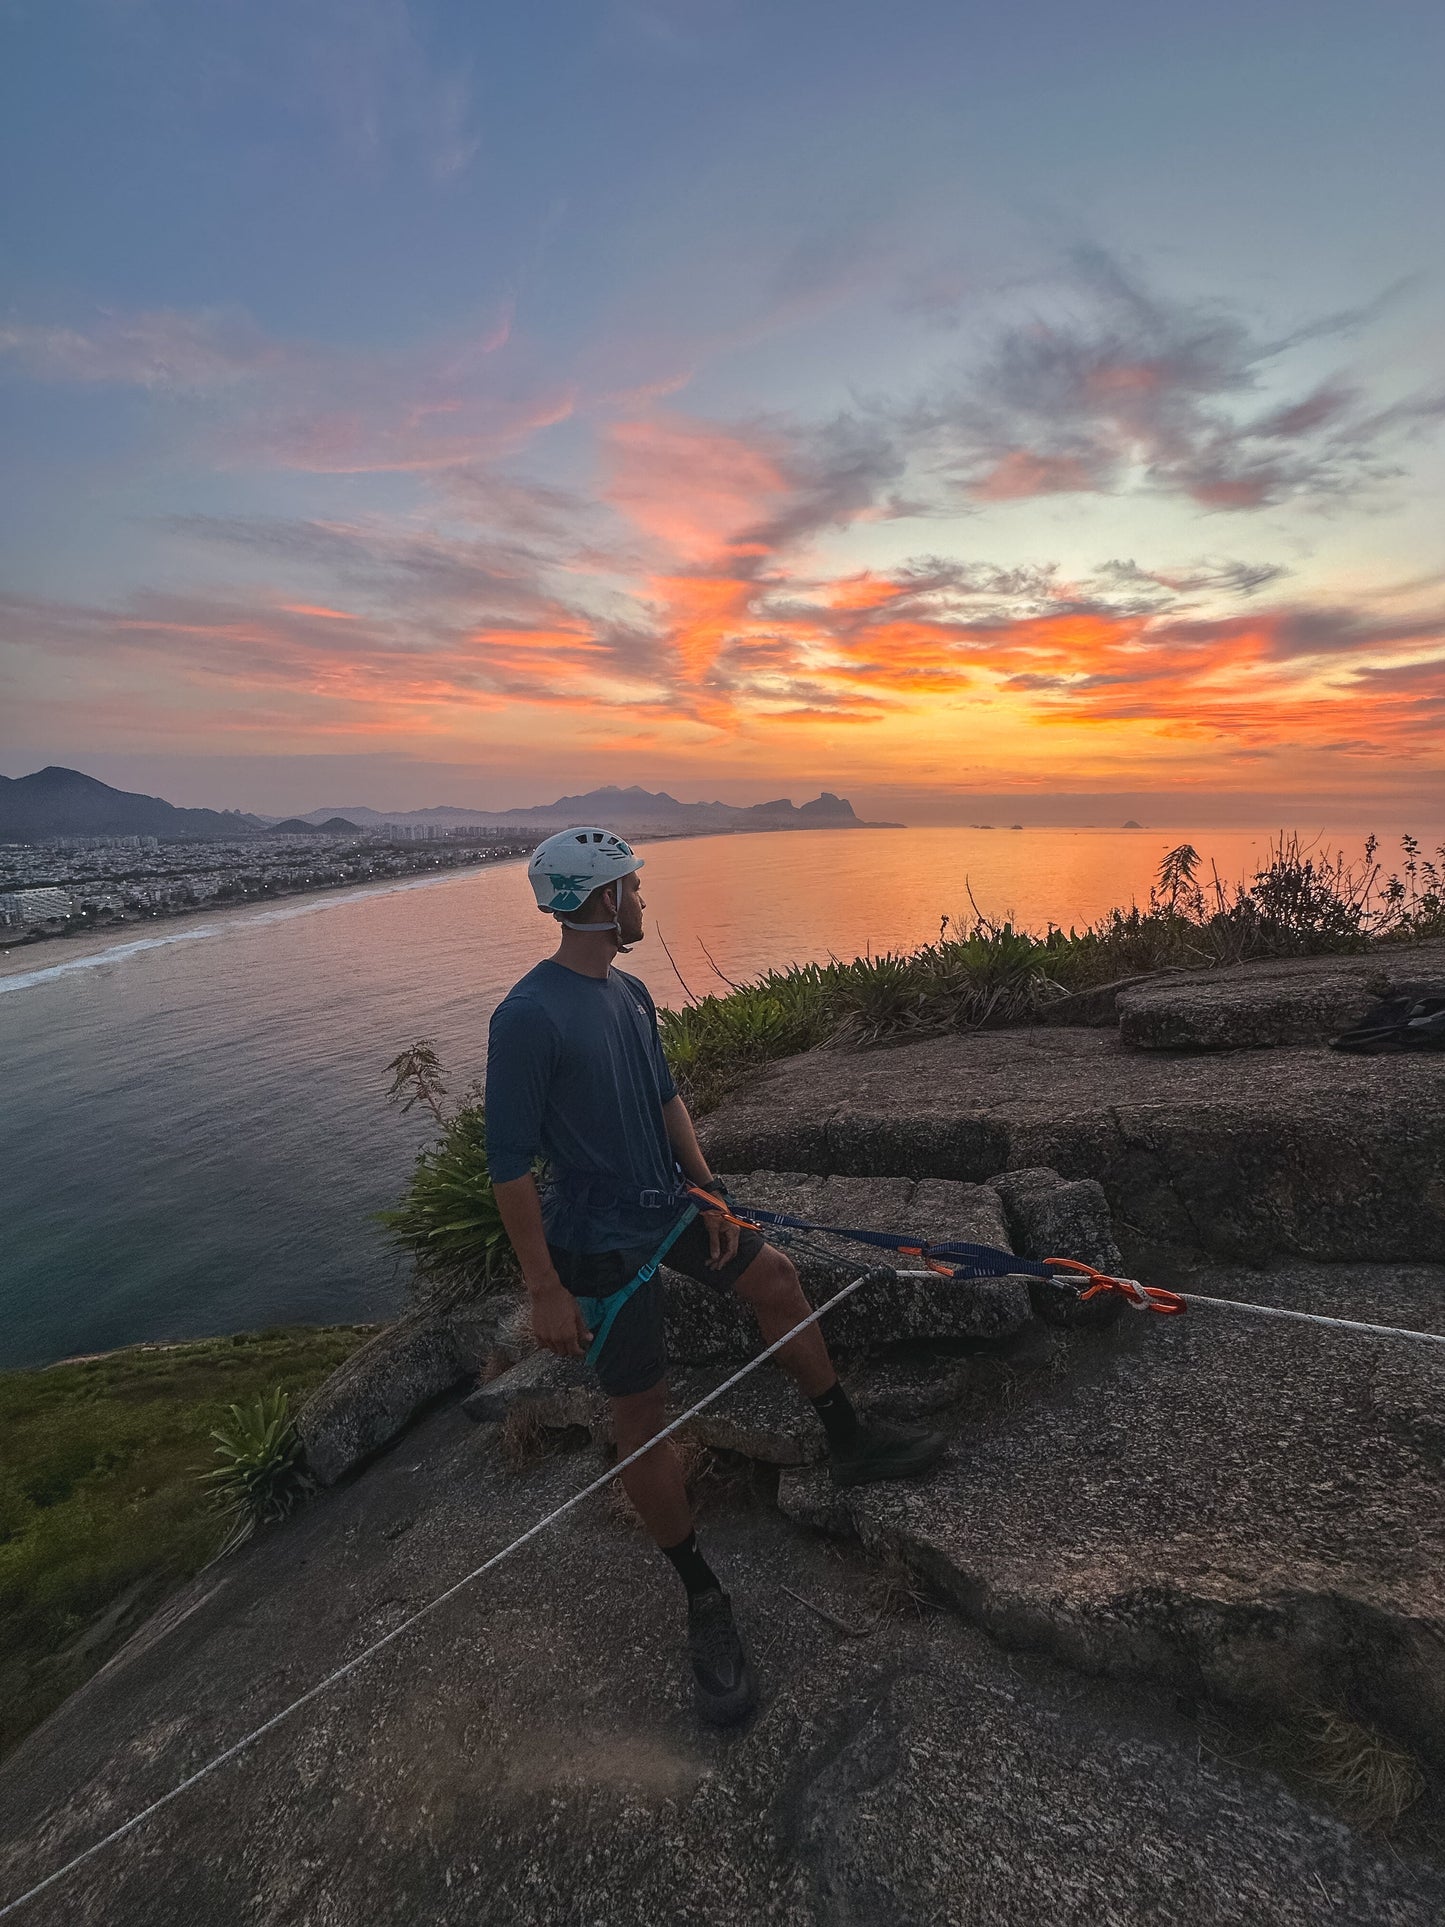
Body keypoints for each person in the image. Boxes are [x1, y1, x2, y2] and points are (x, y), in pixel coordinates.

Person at [485, 827, 946, 1725]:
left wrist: (712, 1188)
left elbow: (665, 1098)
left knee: (773, 1276)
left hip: (668, 1206)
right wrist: (544, 1287)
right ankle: (702, 1593)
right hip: (597, 1245)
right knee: (643, 1418)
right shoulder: (527, 1015)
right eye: (635, 888)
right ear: (604, 900)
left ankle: (848, 1440)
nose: (645, 901)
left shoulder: (628, 993)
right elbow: (508, 1166)